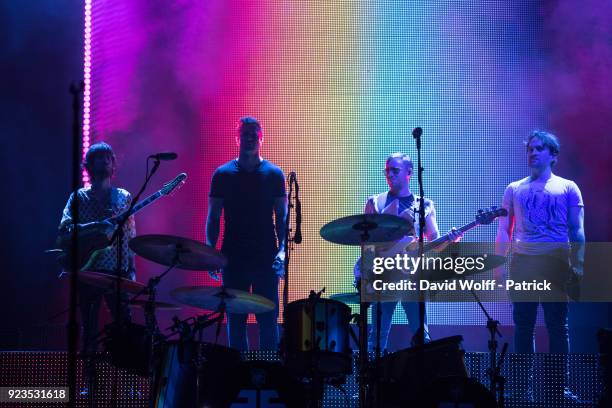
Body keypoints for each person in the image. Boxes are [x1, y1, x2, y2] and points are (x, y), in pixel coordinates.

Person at [495, 130, 585, 400]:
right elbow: (503, 230)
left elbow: (576, 229)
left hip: (556, 262)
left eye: (539, 148)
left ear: (553, 155)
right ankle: (522, 389)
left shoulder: (568, 187)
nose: (532, 152)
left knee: (558, 327)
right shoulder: (514, 188)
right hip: (523, 263)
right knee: (524, 326)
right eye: (530, 148)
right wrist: (500, 267)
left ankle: (560, 388)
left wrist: (578, 266)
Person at [355, 152, 461, 351]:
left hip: (412, 277)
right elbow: (366, 244)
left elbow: (434, 242)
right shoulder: (374, 202)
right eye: (387, 171)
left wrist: (450, 238)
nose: (389, 175)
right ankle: (373, 380)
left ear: (409, 173)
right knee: (376, 338)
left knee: (422, 335)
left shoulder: (424, 205)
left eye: (394, 170)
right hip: (382, 277)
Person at [206, 116, 287, 351]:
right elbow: (213, 217)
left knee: (268, 319)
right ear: (237, 139)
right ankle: (237, 378)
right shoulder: (222, 174)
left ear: (261, 139)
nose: (250, 139)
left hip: (265, 257)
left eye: (254, 135)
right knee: (235, 320)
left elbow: (282, 217)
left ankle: (269, 376)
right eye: (245, 135)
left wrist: (282, 251)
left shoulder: (274, 174)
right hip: (233, 257)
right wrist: (211, 251)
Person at [58, 142, 136, 353]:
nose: (104, 161)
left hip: (116, 272)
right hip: (87, 271)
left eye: (108, 158)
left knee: (124, 327)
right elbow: (65, 231)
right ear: (89, 165)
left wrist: (132, 268)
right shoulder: (78, 197)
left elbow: (130, 236)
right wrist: (95, 227)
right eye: (98, 157)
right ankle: (89, 383)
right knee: (89, 329)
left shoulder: (123, 196)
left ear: (113, 165)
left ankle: (125, 383)